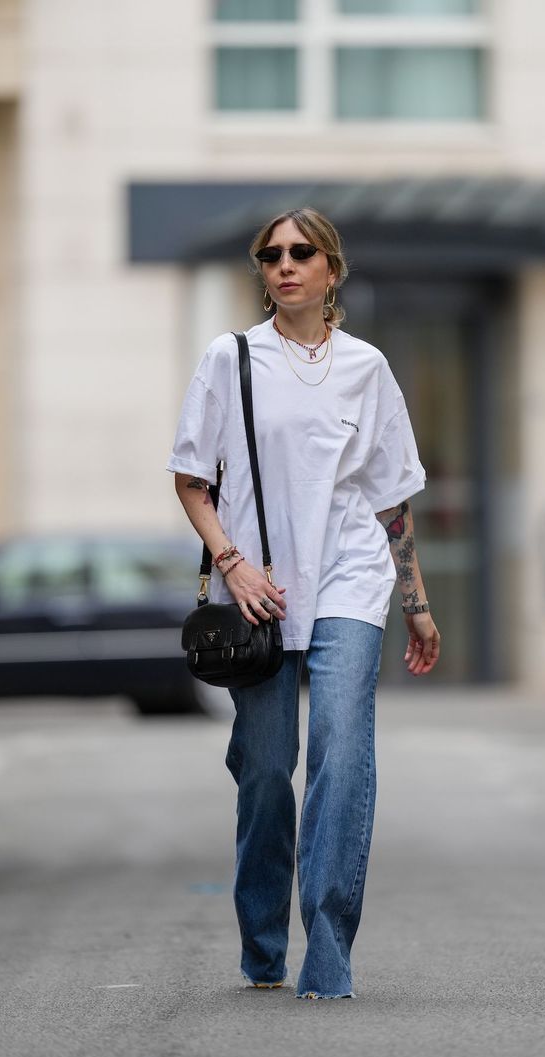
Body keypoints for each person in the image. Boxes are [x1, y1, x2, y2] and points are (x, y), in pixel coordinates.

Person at [167, 207, 440, 1000]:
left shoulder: (367, 368)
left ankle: (327, 953)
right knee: (266, 769)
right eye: (271, 254)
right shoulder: (230, 359)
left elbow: (389, 499)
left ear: (331, 269)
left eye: (301, 252)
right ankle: (262, 940)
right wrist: (234, 566)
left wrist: (416, 600)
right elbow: (191, 479)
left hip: (351, 577)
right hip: (259, 592)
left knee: (341, 756)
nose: (284, 264)